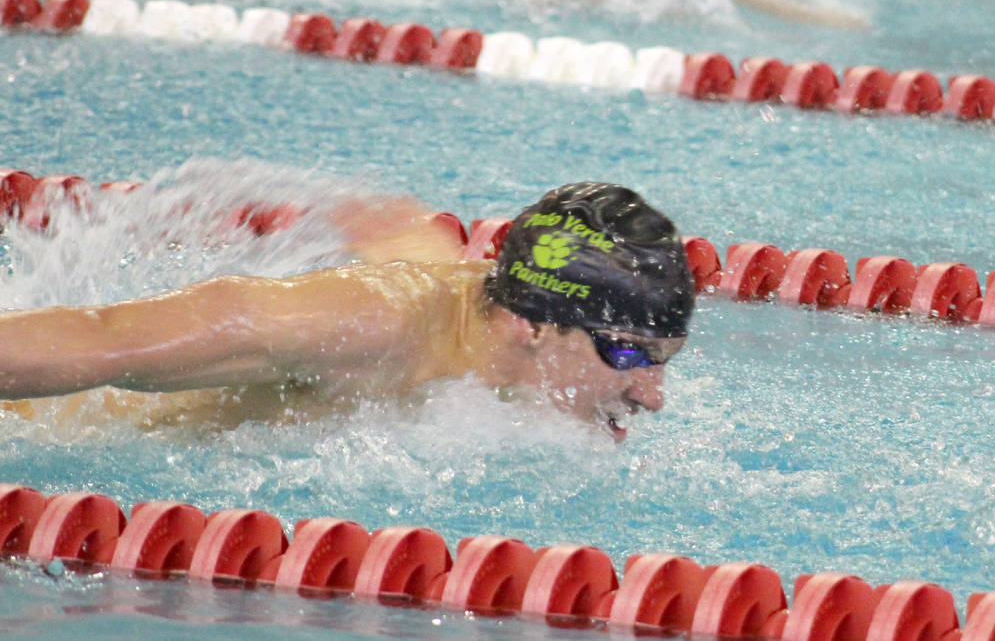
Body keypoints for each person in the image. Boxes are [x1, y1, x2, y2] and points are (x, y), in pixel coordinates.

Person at [0, 182, 695, 439]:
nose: (653, 396)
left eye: (663, 361)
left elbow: (417, 244)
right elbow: (105, 340)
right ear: (534, 326)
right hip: (49, 427)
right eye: (629, 354)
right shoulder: (367, 327)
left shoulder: (506, 312)